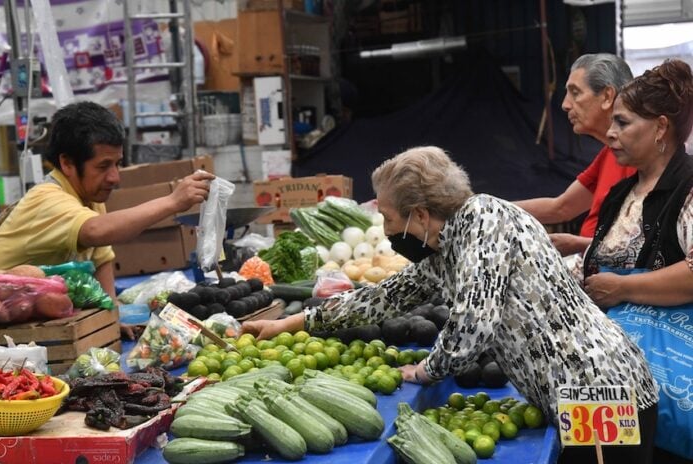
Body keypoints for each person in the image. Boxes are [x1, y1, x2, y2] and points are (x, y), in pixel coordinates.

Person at [243, 146, 658, 464]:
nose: (386, 230)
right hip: (573, 393)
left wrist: (428, 370)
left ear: (419, 214)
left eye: (388, 218)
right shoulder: (447, 250)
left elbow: (472, 325)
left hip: (598, 389)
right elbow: (381, 298)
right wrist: (293, 322)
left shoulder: (485, 219)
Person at [0, 101, 213, 332]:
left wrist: (110, 321)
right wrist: (172, 202)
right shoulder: (46, 199)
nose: (115, 177)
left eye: (117, 164)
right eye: (103, 166)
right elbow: (95, 231)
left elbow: (102, 261)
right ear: (67, 163)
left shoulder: (89, 197)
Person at [582, 59, 693, 308]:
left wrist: (624, 288)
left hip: (665, 341)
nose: (610, 132)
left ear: (660, 127)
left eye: (622, 122)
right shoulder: (620, 194)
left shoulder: (687, 186)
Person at [516, 53, 636, 256]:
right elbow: (561, 207)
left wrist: (579, 244)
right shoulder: (608, 155)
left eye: (575, 93)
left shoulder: (641, 159)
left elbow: (639, 243)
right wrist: (490, 207)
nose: (565, 104)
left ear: (607, 97)